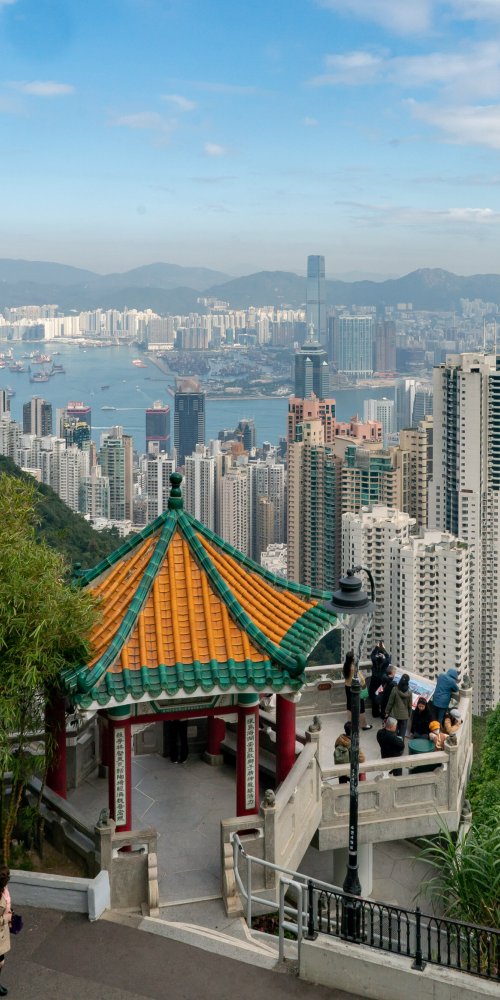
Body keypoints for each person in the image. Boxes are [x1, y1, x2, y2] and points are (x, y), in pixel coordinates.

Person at [343, 651, 372, 730]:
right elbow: (360, 677)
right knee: (361, 706)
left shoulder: (345, 665)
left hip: (347, 686)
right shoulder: (353, 667)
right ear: (352, 658)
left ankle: (350, 723)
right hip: (355, 687)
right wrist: (364, 684)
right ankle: (363, 725)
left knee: (349, 705)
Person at [385, 672, 412, 740]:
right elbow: (410, 705)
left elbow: (390, 702)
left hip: (395, 714)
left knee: (394, 731)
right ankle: (400, 747)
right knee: (402, 733)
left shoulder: (395, 689)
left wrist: (387, 711)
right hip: (404, 716)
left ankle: (394, 746)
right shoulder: (409, 692)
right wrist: (409, 714)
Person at [369, 640, 391, 718]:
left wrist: (377, 647)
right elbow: (388, 658)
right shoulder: (385, 664)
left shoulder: (375, 662)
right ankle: (383, 714)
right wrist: (384, 650)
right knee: (382, 698)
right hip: (382, 683)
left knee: (374, 697)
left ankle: (375, 713)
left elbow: (372, 655)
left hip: (374, 682)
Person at [0, 864, 12, 997]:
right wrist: (5, 918)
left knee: (1, 961)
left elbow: (7, 903)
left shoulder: (4, 890)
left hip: (2, 932)